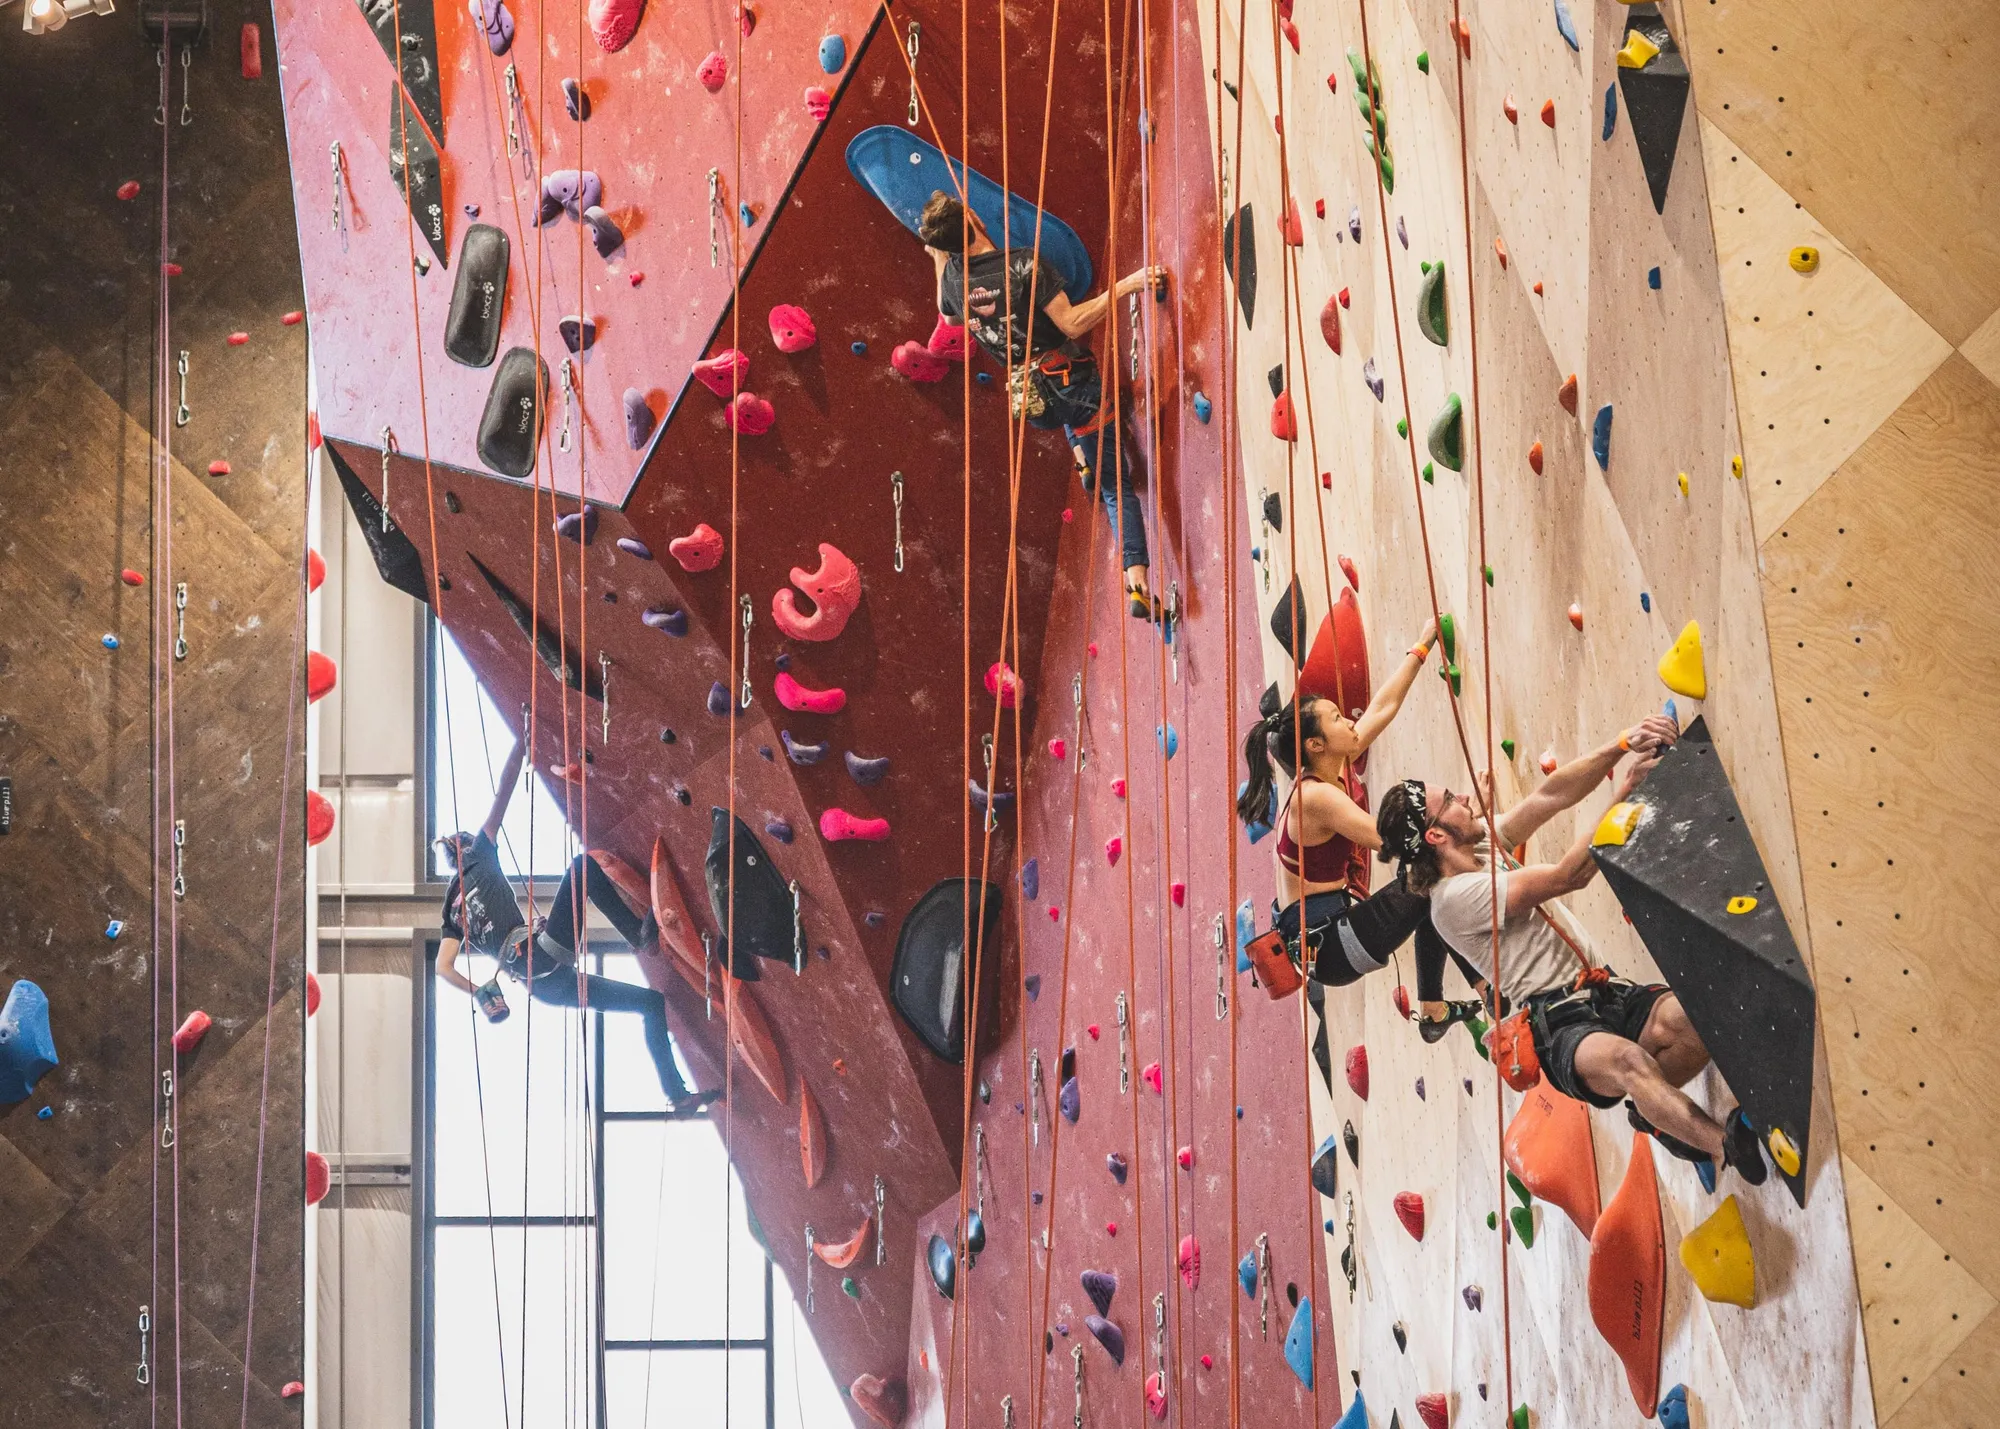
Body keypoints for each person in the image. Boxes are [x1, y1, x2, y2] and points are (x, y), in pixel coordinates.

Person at [1375, 715, 1767, 1184]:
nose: (1465, 798)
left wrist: (1620, 743)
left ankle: (1653, 1115)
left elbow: (1550, 795)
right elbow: (1569, 875)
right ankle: (1723, 1146)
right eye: (1452, 801)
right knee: (1629, 1062)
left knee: (1696, 1023)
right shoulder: (1452, 902)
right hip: (1559, 1024)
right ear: (1436, 836)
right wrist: (1621, 798)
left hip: (1604, 993)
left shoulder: (1480, 848)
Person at [915, 189, 1168, 621]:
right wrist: (1129, 284)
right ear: (975, 219)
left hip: (1033, 404)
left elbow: (951, 315)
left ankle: (1081, 459)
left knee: (1072, 421)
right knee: (1116, 487)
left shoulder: (954, 281)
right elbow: (1072, 322)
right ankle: (1137, 579)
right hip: (1071, 385)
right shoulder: (1022, 265)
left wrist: (939, 257)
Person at [433, 733, 718, 1116]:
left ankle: (679, 1096)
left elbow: (442, 967)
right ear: (466, 846)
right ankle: (638, 935)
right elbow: (504, 791)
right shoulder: (480, 855)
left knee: (651, 1003)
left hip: (546, 985)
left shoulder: (451, 912)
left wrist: (480, 991)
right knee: (582, 867)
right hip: (542, 958)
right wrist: (522, 741)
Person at [1235, 616, 1481, 1038]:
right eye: (1337, 719)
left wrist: (1421, 646)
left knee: (1424, 883)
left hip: (1327, 930)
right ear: (1316, 745)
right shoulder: (1315, 798)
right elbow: (1393, 843)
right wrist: (1463, 820)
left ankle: (1437, 1007)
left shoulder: (1331, 763)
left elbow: (1382, 708)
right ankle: (1482, 987)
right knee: (1428, 874)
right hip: (1331, 948)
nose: (1350, 723)